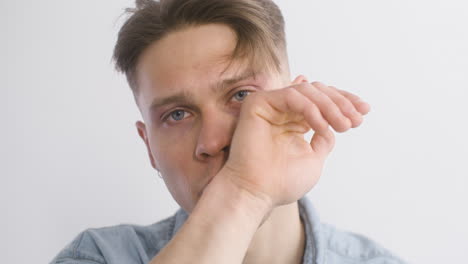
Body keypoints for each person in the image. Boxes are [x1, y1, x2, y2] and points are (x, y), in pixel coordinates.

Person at [50, 0, 407, 263]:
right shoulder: (97, 256)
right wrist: (244, 192)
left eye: (241, 96)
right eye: (177, 115)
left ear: (299, 107)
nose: (214, 141)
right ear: (149, 148)